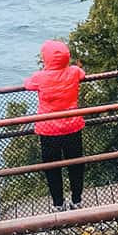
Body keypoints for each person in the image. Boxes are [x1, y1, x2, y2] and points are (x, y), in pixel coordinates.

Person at [23, 39, 87, 209]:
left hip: (48, 130)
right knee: (76, 164)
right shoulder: (74, 72)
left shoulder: (39, 77)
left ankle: (58, 204)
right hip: (72, 125)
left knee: (52, 168)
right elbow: (82, 74)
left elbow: (28, 85)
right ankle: (77, 200)